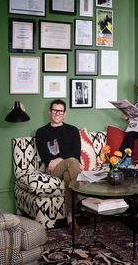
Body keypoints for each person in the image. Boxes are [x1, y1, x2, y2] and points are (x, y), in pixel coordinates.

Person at [36, 99, 81, 232]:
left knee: (69, 174)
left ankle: (71, 218)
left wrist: (59, 158)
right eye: (55, 111)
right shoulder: (42, 132)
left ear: (64, 114)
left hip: (69, 167)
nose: (57, 114)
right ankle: (82, 195)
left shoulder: (72, 130)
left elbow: (76, 152)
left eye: (60, 111)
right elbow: (46, 157)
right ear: (50, 112)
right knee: (73, 161)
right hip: (53, 168)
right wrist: (55, 161)